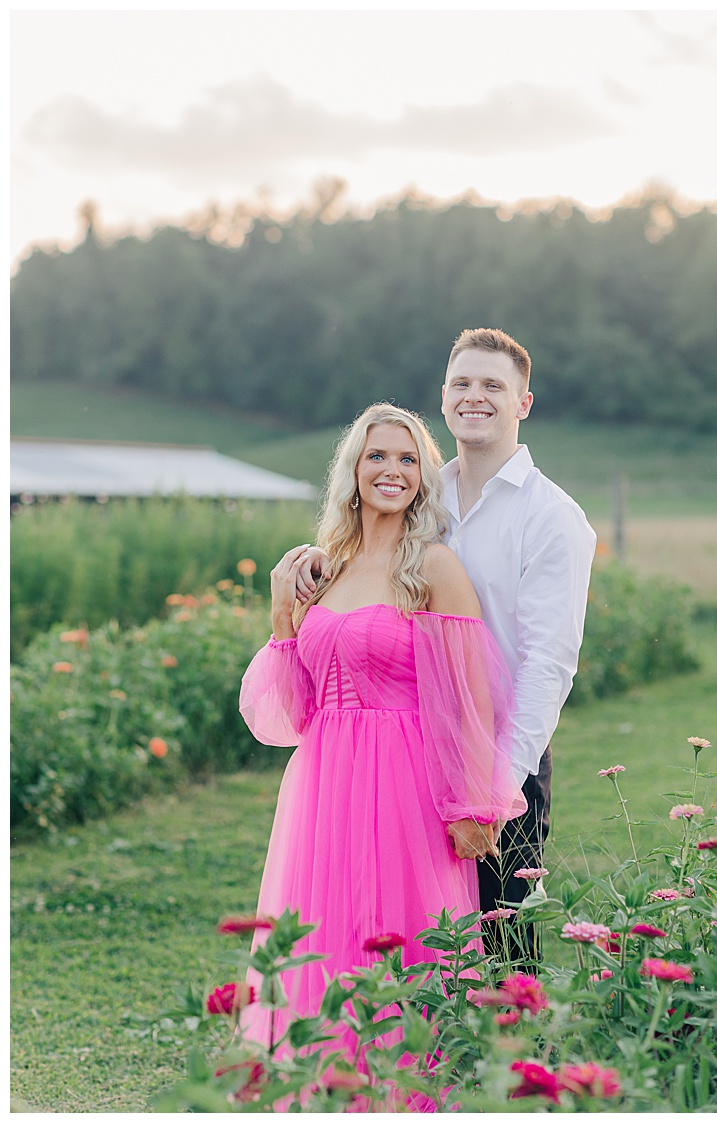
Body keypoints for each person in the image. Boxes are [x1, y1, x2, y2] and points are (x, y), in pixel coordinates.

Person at [291, 328, 595, 967]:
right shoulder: (428, 495)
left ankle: (516, 1066)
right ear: (444, 395)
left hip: (500, 758)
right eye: (462, 383)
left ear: (524, 403)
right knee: (418, 934)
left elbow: (549, 662)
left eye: (493, 386)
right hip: (412, 754)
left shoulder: (551, 515)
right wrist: (325, 563)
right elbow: (376, 559)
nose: (475, 397)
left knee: (501, 946)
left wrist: (493, 789)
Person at [239, 403, 528, 1057]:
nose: (391, 469)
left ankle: (408, 1081)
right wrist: (285, 614)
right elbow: (291, 711)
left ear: (423, 477)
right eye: (377, 455)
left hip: (405, 775)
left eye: (407, 458)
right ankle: (327, 1074)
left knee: (403, 927)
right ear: (353, 470)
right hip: (324, 776)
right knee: (324, 927)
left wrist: (469, 804)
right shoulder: (325, 569)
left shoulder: (432, 567)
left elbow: (467, 700)